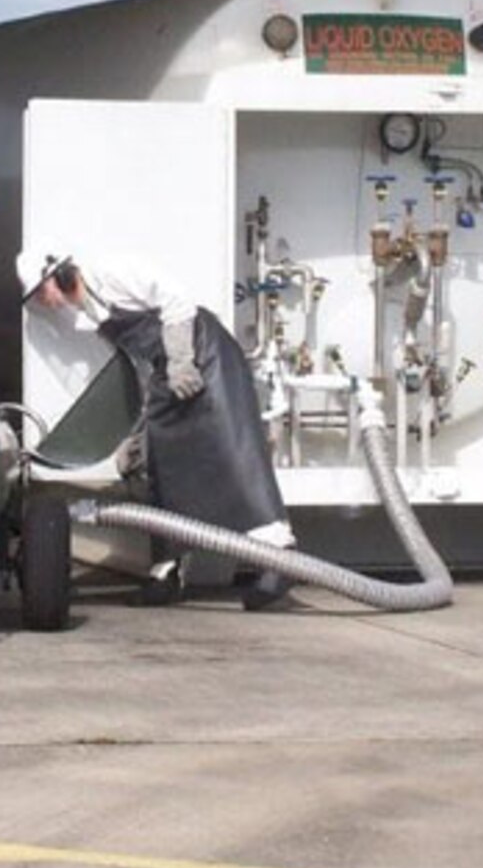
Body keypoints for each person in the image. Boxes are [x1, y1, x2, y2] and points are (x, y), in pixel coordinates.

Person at [15, 249, 298, 610]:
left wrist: (182, 360)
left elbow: (176, 298)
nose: (46, 302)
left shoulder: (112, 270)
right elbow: (140, 359)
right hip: (166, 375)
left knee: (234, 455)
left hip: (203, 358)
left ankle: (278, 554)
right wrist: (139, 428)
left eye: (43, 291)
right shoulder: (89, 312)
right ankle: (168, 568)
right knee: (163, 466)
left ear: (61, 274)